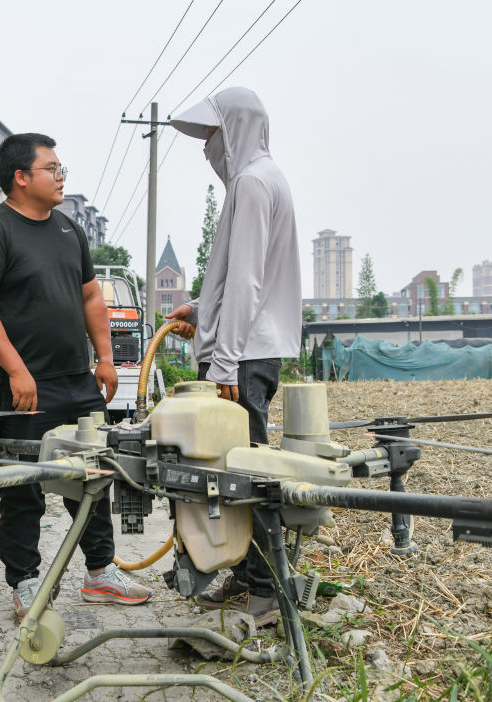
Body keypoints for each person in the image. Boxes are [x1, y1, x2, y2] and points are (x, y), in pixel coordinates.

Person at [0, 133, 152, 618]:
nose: (61, 176)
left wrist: (105, 357)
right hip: (24, 386)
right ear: (21, 177)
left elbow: (91, 296)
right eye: (52, 169)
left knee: (93, 475)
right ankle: (25, 582)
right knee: (23, 485)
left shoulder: (69, 229)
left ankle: (100, 572)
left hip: (77, 381)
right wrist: (17, 370)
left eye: (61, 168)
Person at [166, 87, 302, 626]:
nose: (206, 147)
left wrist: (222, 362)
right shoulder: (266, 178)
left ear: (235, 130)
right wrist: (203, 311)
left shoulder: (250, 182)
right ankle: (248, 579)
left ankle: (265, 592)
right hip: (251, 350)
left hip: (241, 359)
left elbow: (247, 282)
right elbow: (245, 279)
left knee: (245, 477)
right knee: (237, 473)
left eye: (211, 135)